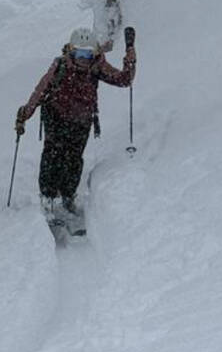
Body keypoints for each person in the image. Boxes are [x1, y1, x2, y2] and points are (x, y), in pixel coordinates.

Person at [15, 25, 136, 222]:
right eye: (79, 53)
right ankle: (48, 197)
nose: (82, 59)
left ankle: (68, 197)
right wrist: (25, 113)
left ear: (94, 53)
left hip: (81, 121)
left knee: (74, 158)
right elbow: (42, 89)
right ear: (71, 50)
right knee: (52, 156)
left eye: (87, 54)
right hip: (56, 116)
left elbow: (124, 79)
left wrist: (130, 50)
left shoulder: (97, 66)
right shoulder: (60, 65)